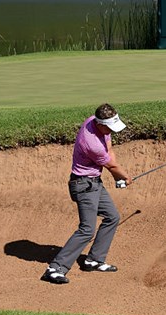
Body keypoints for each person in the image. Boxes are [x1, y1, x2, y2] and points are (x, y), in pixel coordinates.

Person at [41, 103, 133, 285]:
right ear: (100, 123)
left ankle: (94, 259)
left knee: (112, 216)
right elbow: (112, 165)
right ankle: (55, 268)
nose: (112, 131)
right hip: (83, 185)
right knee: (87, 229)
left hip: (94, 183)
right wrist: (125, 177)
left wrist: (116, 178)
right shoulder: (92, 144)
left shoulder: (93, 121)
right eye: (109, 127)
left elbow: (110, 149)